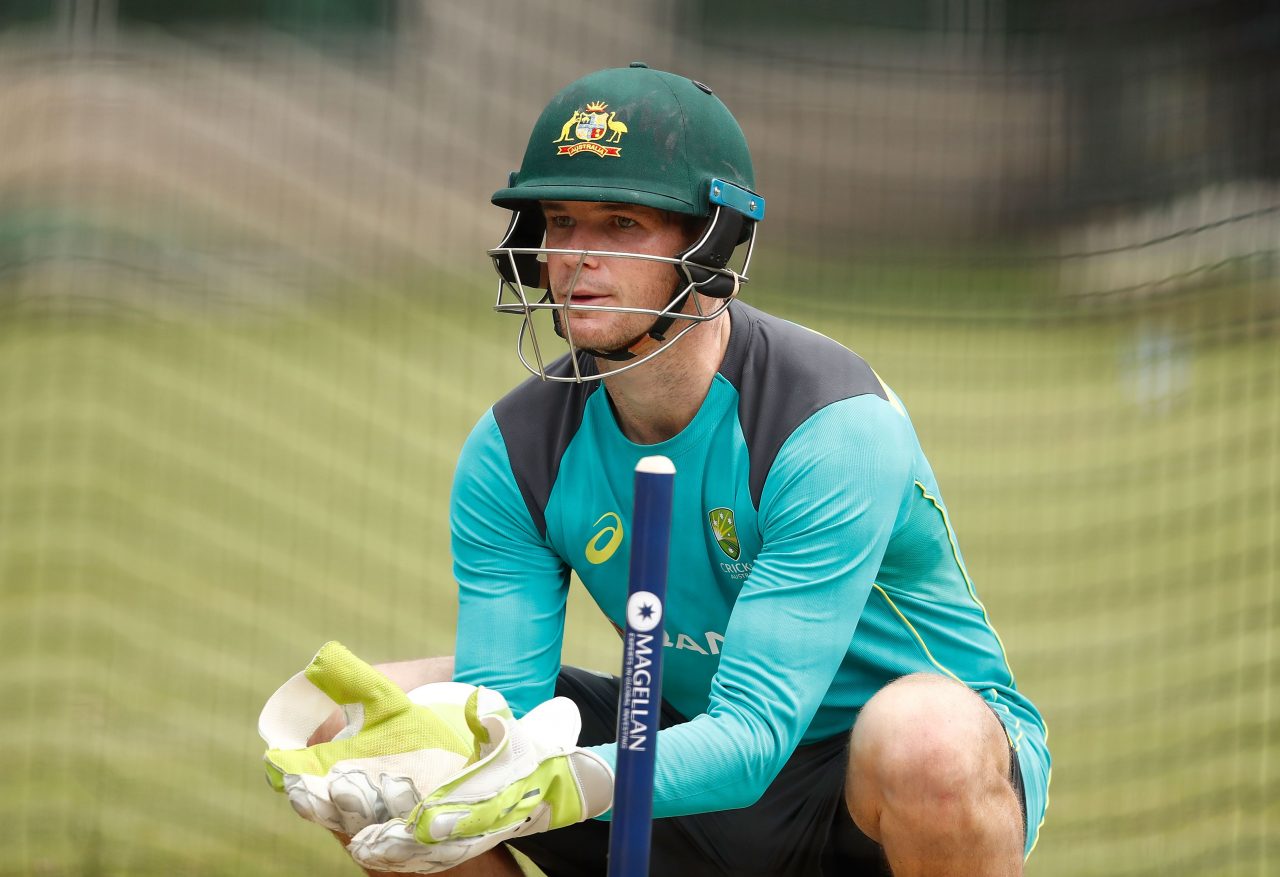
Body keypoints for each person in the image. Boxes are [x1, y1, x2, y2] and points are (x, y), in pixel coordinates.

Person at [264, 63, 1050, 877]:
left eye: (621, 224)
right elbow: (506, 709)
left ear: (710, 242)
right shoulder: (511, 451)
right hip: (678, 739)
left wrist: (546, 784)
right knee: (366, 729)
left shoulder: (827, 425)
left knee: (929, 740)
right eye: (561, 222)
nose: (576, 258)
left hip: (864, 781)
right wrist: (462, 771)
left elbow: (753, 738)